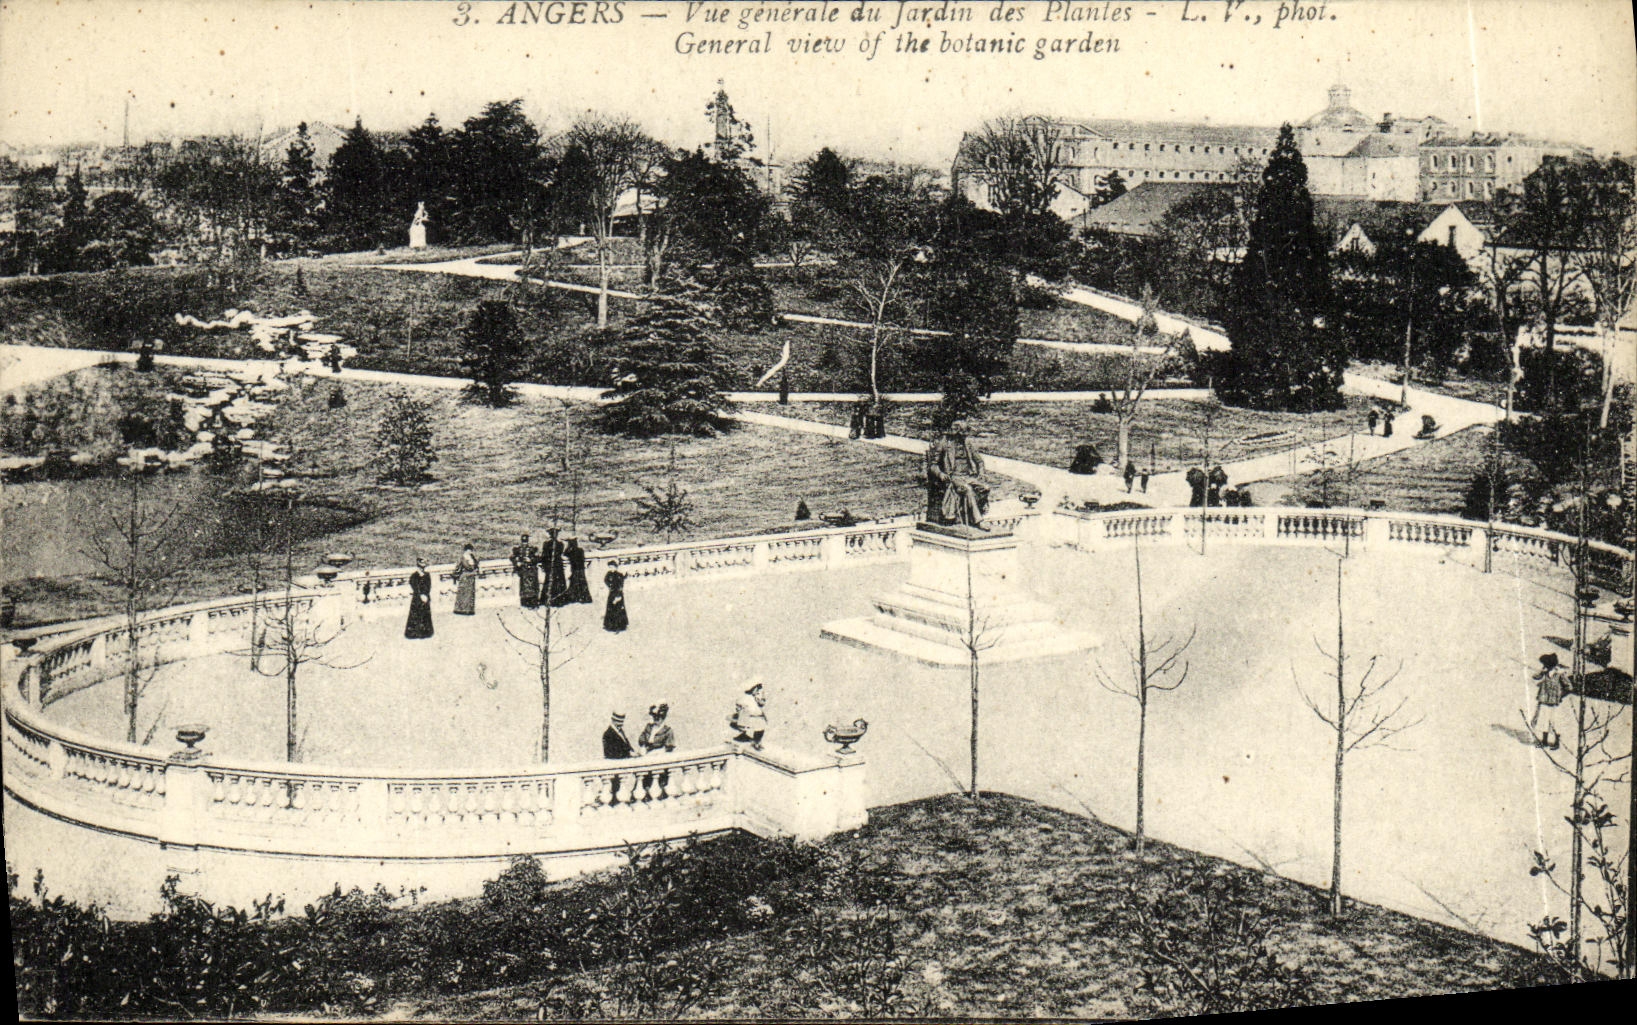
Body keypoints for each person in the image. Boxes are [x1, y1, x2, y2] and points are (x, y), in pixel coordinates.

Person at [925, 431, 990, 528]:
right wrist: (940, 474)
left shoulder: (967, 444)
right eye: (960, 436)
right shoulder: (945, 444)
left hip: (968, 476)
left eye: (964, 436)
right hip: (954, 477)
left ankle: (978, 511)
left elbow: (980, 461)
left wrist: (981, 473)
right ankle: (978, 520)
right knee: (967, 489)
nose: (962, 438)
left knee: (985, 487)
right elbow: (933, 465)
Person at [1530, 653, 1566, 749]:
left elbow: (1569, 687)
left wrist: (1560, 696)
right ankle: (1544, 741)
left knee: (1555, 722)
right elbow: (1535, 677)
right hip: (1544, 700)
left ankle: (1556, 743)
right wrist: (1541, 672)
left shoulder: (1559, 674)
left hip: (1555, 703)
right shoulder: (1545, 673)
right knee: (1543, 720)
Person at [730, 681, 769, 751]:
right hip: (747, 720)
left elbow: (761, 704)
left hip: (750, 719)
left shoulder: (752, 698)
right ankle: (755, 741)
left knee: (760, 723)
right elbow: (753, 711)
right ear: (753, 689)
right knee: (760, 724)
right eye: (756, 690)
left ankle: (755, 741)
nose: (757, 692)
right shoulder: (747, 699)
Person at [405, 558, 435, 639]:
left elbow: (428, 586)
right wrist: (420, 595)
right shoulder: (414, 576)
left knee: (425, 614)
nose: (424, 564)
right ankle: (415, 632)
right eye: (422, 562)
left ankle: (425, 632)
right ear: (418, 564)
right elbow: (414, 586)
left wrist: (426, 595)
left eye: (425, 562)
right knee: (416, 614)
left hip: (426, 597)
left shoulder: (427, 575)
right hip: (417, 598)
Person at [510, 533, 539, 608]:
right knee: (524, 588)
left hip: (531, 571)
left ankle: (533, 602)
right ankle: (525, 602)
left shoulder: (532, 549)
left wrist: (530, 560)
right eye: (523, 542)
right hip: (523, 571)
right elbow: (512, 558)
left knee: (532, 587)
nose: (524, 544)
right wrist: (517, 563)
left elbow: (538, 558)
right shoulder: (518, 550)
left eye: (525, 542)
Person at [543, 527, 569, 607]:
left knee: (556, 582)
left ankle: (554, 599)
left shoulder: (553, 544)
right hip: (555, 565)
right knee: (555, 582)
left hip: (555, 565)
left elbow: (544, 555)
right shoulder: (559, 544)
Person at [451, 543, 479, 616]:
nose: (471, 551)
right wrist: (455, 575)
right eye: (469, 550)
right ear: (466, 550)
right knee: (463, 594)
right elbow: (458, 567)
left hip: (471, 577)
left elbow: (476, 565)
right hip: (465, 577)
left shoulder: (472, 557)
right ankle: (461, 609)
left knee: (470, 594)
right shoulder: (463, 558)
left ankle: (469, 609)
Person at [564, 537, 593, 604]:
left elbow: (565, 553)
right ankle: (582, 597)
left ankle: (576, 597)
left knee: (575, 583)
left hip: (575, 569)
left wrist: (568, 547)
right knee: (581, 583)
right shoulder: (580, 550)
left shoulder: (571, 551)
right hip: (581, 569)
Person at [603, 560, 629, 633]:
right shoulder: (609, 574)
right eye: (609, 567)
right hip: (611, 593)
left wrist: (618, 594)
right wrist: (610, 586)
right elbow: (605, 580)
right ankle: (609, 625)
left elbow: (621, 584)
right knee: (610, 608)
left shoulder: (619, 574)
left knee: (618, 609)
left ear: (615, 567)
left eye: (612, 567)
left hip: (618, 593)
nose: (611, 568)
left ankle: (619, 626)